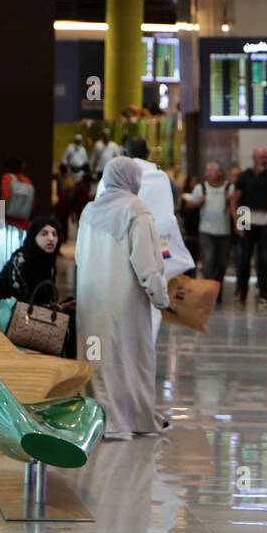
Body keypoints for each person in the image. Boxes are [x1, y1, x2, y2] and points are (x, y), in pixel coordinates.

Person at [74, 156, 172, 440]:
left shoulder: (89, 211)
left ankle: (98, 418)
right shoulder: (136, 211)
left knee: (98, 361)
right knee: (129, 359)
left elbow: (80, 256)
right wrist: (161, 298)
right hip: (124, 304)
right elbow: (148, 264)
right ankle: (131, 418)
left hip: (92, 304)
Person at [124, 136, 195, 338]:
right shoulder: (160, 177)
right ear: (147, 153)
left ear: (124, 153)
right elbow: (168, 214)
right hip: (156, 246)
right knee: (152, 302)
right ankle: (147, 348)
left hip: (125, 247)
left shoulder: (115, 177)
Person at [0, 216, 75, 357]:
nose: (51, 238)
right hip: (6, 313)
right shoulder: (22, 259)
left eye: (55, 234)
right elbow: (19, 299)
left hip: (31, 315)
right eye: (44, 233)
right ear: (33, 236)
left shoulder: (49, 262)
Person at [230, 147, 267, 308]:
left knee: (264, 258)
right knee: (245, 258)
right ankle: (242, 290)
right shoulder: (245, 177)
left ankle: (264, 292)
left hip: (265, 219)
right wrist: (238, 222)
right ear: (254, 158)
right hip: (246, 217)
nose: (265, 160)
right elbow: (234, 200)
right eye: (262, 157)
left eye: (266, 157)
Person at [183, 162, 235, 303]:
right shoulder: (201, 188)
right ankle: (209, 293)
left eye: (212, 170)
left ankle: (217, 290)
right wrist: (198, 202)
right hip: (206, 231)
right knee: (208, 261)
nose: (208, 173)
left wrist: (243, 227)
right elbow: (188, 204)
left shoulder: (229, 188)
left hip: (225, 232)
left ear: (219, 173)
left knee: (222, 264)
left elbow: (240, 208)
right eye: (207, 170)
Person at [0, 157, 35, 232]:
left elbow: (5, 197)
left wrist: (0, 217)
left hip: (9, 221)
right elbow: (32, 201)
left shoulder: (7, 178)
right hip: (24, 221)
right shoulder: (27, 181)